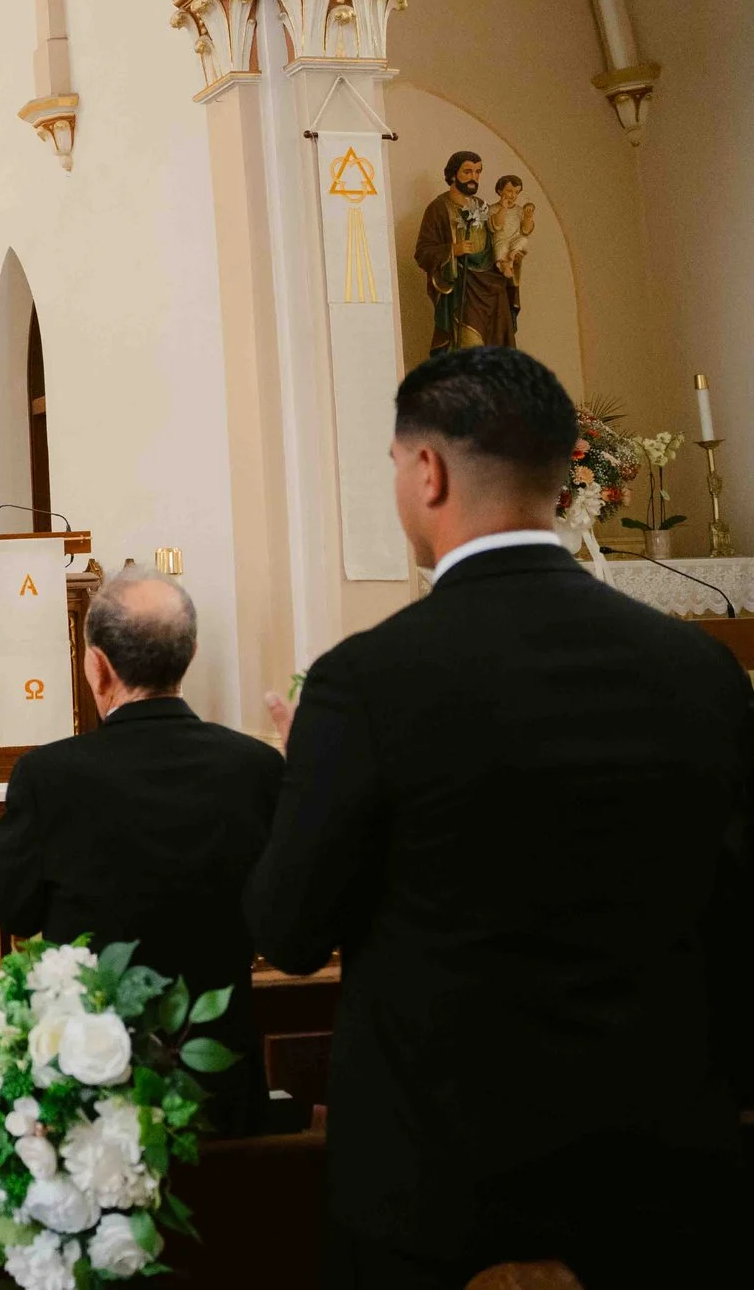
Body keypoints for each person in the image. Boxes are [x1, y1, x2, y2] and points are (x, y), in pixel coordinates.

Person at [246, 347, 750, 1289]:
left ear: (427, 471)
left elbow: (290, 929)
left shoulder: (367, 682)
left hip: (437, 1192)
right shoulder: (700, 673)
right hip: (659, 1181)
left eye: (396, 465)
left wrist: (296, 774)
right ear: (564, 472)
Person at [0, 567, 283, 1134]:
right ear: (190, 655)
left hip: (94, 1094)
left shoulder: (48, 777)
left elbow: (14, 908)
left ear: (96, 665)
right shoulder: (258, 768)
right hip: (221, 1085)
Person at [412, 150, 518, 354]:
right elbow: (423, 251)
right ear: (453, 175)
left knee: (494, 347)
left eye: (478, 172)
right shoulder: (438, 208)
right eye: (467, 171)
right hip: (462, 287)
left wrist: (505, 258)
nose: (474, 177)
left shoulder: (482, 206)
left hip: (490, 284)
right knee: (469, 344)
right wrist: (452, 250)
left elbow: (497, 239)